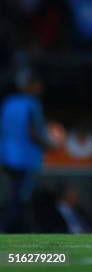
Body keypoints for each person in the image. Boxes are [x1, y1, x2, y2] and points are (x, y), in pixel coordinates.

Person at [0, 69, 64, 232]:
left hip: (7, 155)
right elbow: (34, 131)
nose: (40, 87)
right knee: (20, 197)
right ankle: (9, 228)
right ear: (28, 85)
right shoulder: (32, 103)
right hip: (25, 157)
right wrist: (50, 145)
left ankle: (22, 229)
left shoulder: (8, 102)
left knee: (15, 194)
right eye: (36, 84)